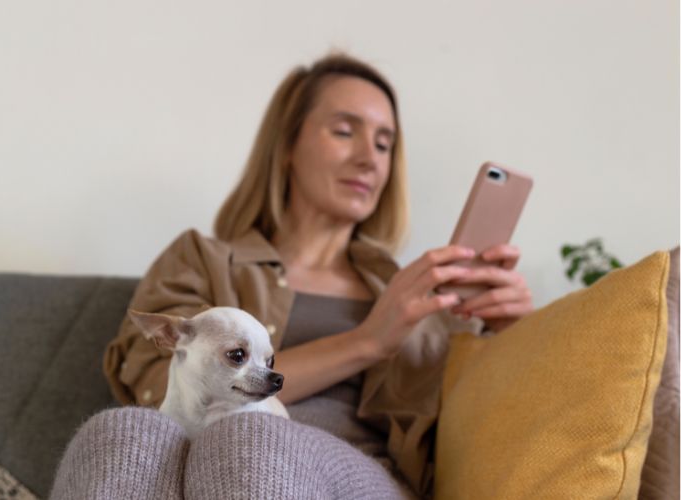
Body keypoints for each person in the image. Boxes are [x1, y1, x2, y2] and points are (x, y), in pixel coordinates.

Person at [50, 52, 533, 500]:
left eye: (384, 144)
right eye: (346, 131)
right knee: (119, 433)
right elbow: (161, 388)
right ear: (287, 145)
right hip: (192, 464)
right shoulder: (201, 260)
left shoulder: (416, 295)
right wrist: (366, 341)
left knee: (251, 438)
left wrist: (516, 333)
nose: (371, 158)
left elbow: (479, 424)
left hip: (354, 477)